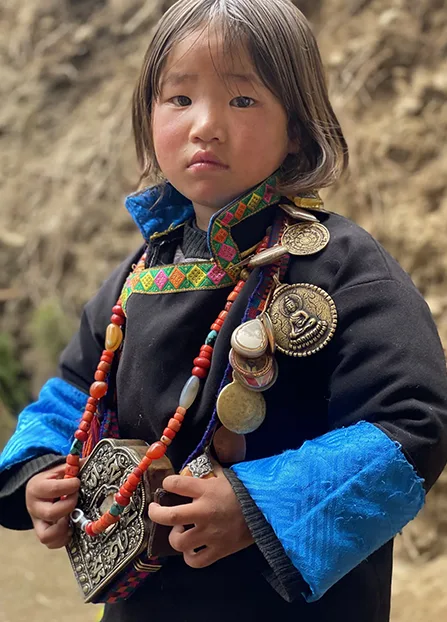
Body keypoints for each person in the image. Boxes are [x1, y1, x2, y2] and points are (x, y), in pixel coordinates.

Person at [1, 0, 447, 620]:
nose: (204, 125)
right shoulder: (137, 277)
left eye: (242, 101)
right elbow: (75, 392)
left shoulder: (342, 265)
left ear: (296, 127)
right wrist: (44, 473)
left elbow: (413, 422)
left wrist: (255, 507)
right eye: (179, 99)